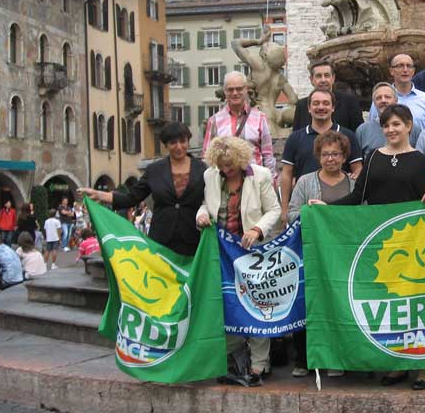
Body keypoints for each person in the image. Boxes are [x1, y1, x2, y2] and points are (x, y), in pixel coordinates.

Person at [317, 104, 425, 390]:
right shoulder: (373, 158)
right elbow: (359, 195)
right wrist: (326, 208)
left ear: (408, 125)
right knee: (392, 304)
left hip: (417, 244)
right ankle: (397, 365)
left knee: (417, 304)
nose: (391, 130)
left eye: (396, 124)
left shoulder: (421, 160)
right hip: (383, 244)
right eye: (386, 125)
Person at [196, 136, 281, 387]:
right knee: (229, 303)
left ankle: (260, 364)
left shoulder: (261, 175)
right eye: (221, 165)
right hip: (223, 252)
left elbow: (274, 210)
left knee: (257, 303)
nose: (226, 170)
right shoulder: (210, 175)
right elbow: (205, 205)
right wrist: (202, 215)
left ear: (241, 160)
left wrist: (257, 229)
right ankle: (233, 357)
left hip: (253, 251)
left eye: (230, 165)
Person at [80, 122, 207, 257]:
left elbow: (210, 201)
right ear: (165, 145)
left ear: (188, 141)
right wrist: (99, 195)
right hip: (161, 240)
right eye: (173, 143)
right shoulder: (154, 170)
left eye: (183, 141)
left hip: (194, 239)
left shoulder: (202, 169)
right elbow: (131, 197)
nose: (179, 146)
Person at [287, 131, 356, 378]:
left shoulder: (353, 184)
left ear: (344, 157)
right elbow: (291, 214)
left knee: (339, 305)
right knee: (309, 304)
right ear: (318, 156)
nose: (330, 159)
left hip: (342, 257)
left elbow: (362, 215)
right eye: (325, 154)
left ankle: (337, 358)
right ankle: (304, 361)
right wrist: (309, 211)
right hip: (312, 255)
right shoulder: (305, 182)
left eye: (336, 154)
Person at [280, 89, 363, 225]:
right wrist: (284, 209)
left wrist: (353, 183)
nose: (321, 107)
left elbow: (358, 169)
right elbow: (286, 174)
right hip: (307, 203)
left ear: (333, 107)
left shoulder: (348, 135)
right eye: (316, 103)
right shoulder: (295, 138)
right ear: (309, 108)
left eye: (326, 103)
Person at [202, 70, 277, 178]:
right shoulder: (214, 121)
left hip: (255, 180)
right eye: (230, 89)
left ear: (246, 90)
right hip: (225, 182)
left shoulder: (260, 118)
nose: (235, 93)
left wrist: (271, 180)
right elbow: (207, 156)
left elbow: (268, 155)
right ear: (225, 92)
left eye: (239, 89)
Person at [368, 54, 425, 129]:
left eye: (409, 66)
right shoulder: (381, 99)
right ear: (391, 71)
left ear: (413, 71)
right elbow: (372, 127)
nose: (405, 70)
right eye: (400, 66)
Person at [293, 60, 363, 132]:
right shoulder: (302, 105)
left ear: (333, 78)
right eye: (318, 76)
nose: (323, 80)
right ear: (311, 80)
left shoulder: (350, 102)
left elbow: (358, 133)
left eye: (326, 75)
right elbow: (296, 135)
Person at [356, 83, 422, 156]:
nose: (383, 100)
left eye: (387, 97)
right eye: (378, 98)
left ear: (396, 100)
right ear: (374, 103)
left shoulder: (412, 128)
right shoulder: (363, 130)